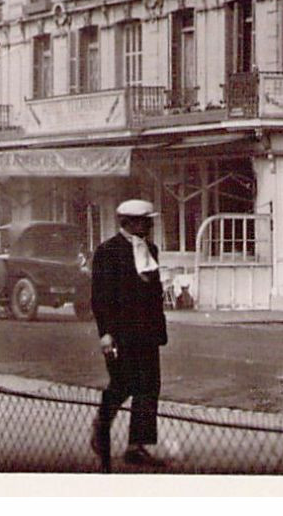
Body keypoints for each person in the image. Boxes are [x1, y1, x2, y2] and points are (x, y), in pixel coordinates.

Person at [90, 199, 170, 469]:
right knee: (123, 383)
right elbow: (100, 297)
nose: (149, 225)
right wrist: (105, 334)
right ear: (129, 222)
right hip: (121, 333)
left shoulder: (151, 250)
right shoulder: (108, 252)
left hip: (147, 333)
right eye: (145, 221)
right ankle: (102, 425)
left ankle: (137, 446)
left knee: (149, 388)